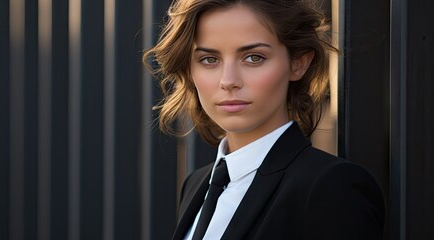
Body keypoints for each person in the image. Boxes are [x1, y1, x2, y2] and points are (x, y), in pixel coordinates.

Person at [143, 0, 384, 239]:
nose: (228, 81)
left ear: (298, 63)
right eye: (209, 59)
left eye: (254, 58)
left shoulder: (333, 187)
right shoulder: (195, 184)